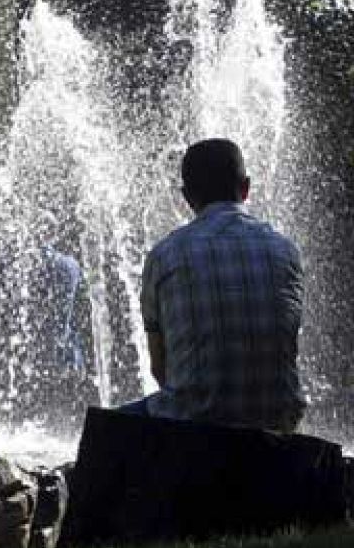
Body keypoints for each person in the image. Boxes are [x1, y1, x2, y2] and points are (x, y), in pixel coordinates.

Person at [121, 138, 306, 433]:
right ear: (246, 188)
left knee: (108, 428)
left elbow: (161, 369)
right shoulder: (286, 251)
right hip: (278, 421)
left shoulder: (165, 254)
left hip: (195, 425)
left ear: (186, 197)